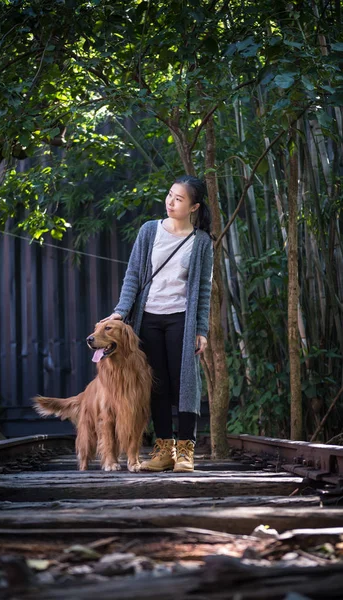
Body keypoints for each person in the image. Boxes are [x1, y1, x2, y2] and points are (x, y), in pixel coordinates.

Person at [101, 175, 213, 472]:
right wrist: (120, 312)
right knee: (156, 386)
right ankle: (164, 451)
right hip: (147, 320)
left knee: (185, 385)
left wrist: (201, 329)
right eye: (169, 195)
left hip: (181, 321)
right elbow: (133, 277)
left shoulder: (201, 242)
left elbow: (203, 290)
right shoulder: (149, 231)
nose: (170, 201)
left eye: (179, 199)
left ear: (194, 207)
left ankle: (186, 451)